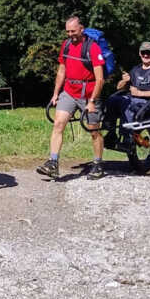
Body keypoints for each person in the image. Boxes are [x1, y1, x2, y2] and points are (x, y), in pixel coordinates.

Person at [37, 16, 106, 181]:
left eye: (73, 31)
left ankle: (98, 164)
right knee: (58, 124)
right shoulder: (66, 45)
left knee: (94, 130)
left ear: (81, 29)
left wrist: (91, 102)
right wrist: (55, 94)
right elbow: (61, 71)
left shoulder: (93, 48)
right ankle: (53, 163)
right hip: (69, 92)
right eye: (68, 31)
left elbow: (100, 79)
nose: (70, 34)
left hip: (89, 94)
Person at [105, 41, 150, 145]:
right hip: (133, 99)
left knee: (127, 104)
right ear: (140, 53)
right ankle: (111, 132)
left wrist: (140, 93)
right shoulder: (136, 69)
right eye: (143, 52)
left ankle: (127, 138)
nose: (146, 55)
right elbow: (119, 88)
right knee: (112, 99)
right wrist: (124, 81)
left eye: (149, 52)